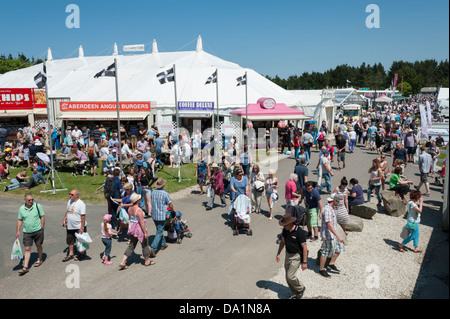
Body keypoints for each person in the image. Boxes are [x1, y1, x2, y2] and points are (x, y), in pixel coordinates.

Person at [119, 193, 155, 269]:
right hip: (139, 229)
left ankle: (123, 261)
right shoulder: (139, 210)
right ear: (137, 201)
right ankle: (147, 261)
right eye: (139, 199)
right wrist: (145, 232)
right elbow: (141, 223)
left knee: (131, 245)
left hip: (132, 228)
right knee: (144, 245)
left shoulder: (129, 208)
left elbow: (130, 218)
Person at [276, 213, 308, 299]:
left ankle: (301, 288)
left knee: (290, 276)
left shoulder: (299, 232)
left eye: (285, 225)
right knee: (287, 276)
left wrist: (304, 262)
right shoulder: (285, 230)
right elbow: (282, 242)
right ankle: (294, 293)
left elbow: (304, 248)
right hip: (288, 254)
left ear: (290, 224)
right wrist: (278, 253)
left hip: (296, 256)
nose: (283, 227)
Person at [15, 194, 45, 275]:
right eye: (29, 200)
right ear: (25, 200)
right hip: (27, 232)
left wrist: (42, 227)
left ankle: (40, 258)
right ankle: (25, 267)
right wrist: (18, 230)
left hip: (38, 230)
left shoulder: (37, 206)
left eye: (32, 199)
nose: (31, 201)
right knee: (27, 248)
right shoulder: (21, 209)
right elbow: (20, 220)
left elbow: (42, 216)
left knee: (38, 245)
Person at [319, 194, 345, 278]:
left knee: (340, 248)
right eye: (338, 201)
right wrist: (338, 236)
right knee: (326, 251)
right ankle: (321, 269)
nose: (339, 203)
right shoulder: (327, 210)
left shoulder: (332, 208)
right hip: (328, 235)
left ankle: (331, 263)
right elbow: (329, 225)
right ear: (334, 201)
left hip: (333, 233)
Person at [62, 190, 88, 261]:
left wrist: (82, 227)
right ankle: (71, 254)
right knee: (70, 240)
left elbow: (83, 216)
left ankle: (82, 254)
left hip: (78, 226)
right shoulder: (69, 201)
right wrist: (64, 219)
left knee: (80, 241)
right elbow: (68, 211)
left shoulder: (81, 204)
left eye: (72, 195)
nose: (70, 196)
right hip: (70, 226)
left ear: (77, 195)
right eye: (69, 194)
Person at [150, 178, 173, 255]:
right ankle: (153, 248)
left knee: (159, 229)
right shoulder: (165, 194)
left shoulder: (153, 192)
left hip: (154, 214)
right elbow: (170, 204)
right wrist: (173, 211)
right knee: (160, 230)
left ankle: (163, 244)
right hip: (161, 215)